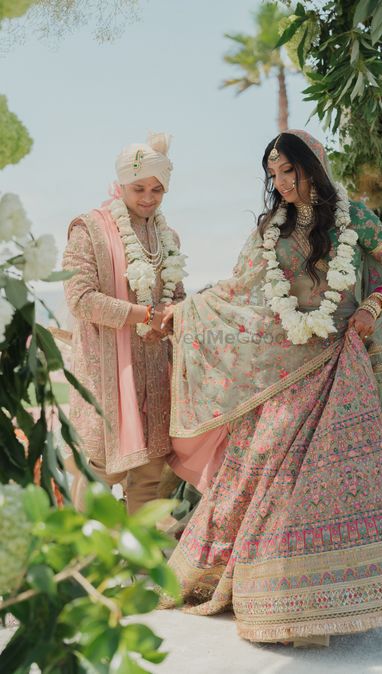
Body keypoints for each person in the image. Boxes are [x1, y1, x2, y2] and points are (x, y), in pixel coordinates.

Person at [160, 130, 382, 646]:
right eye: (274, 174)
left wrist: (372, 305)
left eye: (290, 171)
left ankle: (344, 595)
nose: (281, 183)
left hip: (342, 362)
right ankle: (275, 593)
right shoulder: (269, 230)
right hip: (284, 367)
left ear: (314, 167)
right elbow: (240, 289)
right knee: (269, 474)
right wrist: (188, 310)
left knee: (346, 476)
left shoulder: (356, 218)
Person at [63, 131, 186, 513]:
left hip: (155, 372)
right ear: (121, 184)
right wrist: (144, 315)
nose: (148, 198)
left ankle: (143, 569)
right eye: (139, 189)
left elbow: (177, 295)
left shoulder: (168, 238)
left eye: (157, 190)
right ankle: (80, 567)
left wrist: (176, 313)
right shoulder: (90, 230)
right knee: (99, 474)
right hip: (107, 374)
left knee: (149, 479)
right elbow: (79, 298)